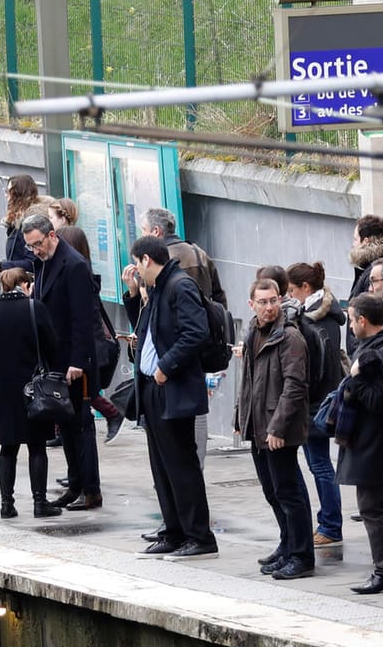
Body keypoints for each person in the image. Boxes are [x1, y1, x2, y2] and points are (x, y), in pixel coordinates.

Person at [123, 235, 218, 561]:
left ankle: (199, 536)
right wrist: (135, 295)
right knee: (162, 466)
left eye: (137, 263)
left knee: (181, 465)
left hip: (172, 387)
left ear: (147, 260)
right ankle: (173, 531)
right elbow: (147, 329)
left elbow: (196, 332)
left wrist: (166, 366)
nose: (135, 269)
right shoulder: (159, 288)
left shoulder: (179, 286)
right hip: (154, 388)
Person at [235, 278, 315, 580]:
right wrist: (240, 418)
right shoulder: (254, 331)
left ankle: (301, 556)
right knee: (272, 491)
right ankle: (287, 545)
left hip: (278, 430)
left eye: (274, 301)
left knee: (288, 492)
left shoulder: (289, 336)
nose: (269, 307)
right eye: (263, 302)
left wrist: (278, 427)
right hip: (258, 427)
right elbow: (249, 383)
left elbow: (295, 386)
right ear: (251, 304)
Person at [21, 214, 100, 510]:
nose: (35, 250)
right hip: (54, 359)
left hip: (73, 362)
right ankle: (75, 483)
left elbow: (82, 318)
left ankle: (90, 489)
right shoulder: (43, 263)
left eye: (38, 244)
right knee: (65, 427)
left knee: (80, 426)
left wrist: (77, 361)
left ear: (52, 235)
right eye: (30, 246)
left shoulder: (74, 265)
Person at [0, 268, 63, 519]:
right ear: (24, 284)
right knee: (36, 447)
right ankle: (39, 502)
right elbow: (51, 346)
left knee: (7, 447)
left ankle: (6, 504)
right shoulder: (35, 308)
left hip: (1, 388)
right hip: (33, 388)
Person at [337, 293, 383, 594]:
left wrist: (355, 378)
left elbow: (378, 403)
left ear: (362, 320)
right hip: (374, 444)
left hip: (374, 445)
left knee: (372, 508)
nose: (349, 326)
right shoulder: (377, 348)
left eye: (350, 319)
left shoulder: (381, 355)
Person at [286, 261, 346, 549]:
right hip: (321, 399)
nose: (289, 296)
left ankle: (331, 525)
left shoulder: (316, 320)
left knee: (320, 465)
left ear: (305, 288)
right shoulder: (323, 316)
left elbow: (317, 365)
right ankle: (329, 522)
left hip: (316, 402)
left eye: (292, 290)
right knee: (319, 464)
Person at [55, 225, 127, 445]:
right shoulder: (81, 269)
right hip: (89, 346)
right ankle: (61, 430)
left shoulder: (78, 271)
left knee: (86, 392)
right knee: (81, 392)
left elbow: (86, 319)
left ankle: (113, 413)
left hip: (87, 348)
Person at [139, 206, 228, 308]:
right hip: (204, 320)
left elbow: (149, 307)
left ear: (156, 231)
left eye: (144, 229)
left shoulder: (155, 261)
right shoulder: (199, 253)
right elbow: (219, 297)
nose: (142, 234)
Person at [348, 215, 383, 350]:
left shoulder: (376, 270)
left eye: (355, 239)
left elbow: (365, 315)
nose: (353, 244)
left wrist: (361, 355)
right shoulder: (369, 267)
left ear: (366, 241)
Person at [0, 174, 43, 281]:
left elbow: (32, 263)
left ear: (19, 195)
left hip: (28, 288)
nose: (6, 196)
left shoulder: (29, 224)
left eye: (9, 192)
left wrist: (1, 266)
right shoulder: (18, 223)